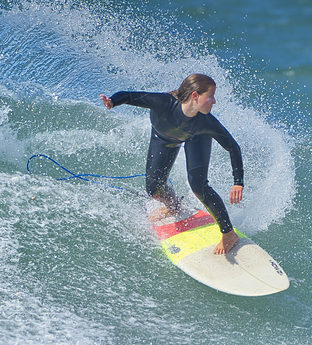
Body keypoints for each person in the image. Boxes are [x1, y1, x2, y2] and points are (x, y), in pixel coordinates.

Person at [100, 74, 244, 254]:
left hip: (196, 137)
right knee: (153, 189)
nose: (214, 101)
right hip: (163, 138)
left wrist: (238, 181)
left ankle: (228, 233)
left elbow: (233, 147)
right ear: (194, 96)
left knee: (199, 187)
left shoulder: (205, 122)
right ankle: (173, 205)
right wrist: (113, 101)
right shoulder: (164, 102)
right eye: (211, 96)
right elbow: (130, 96)